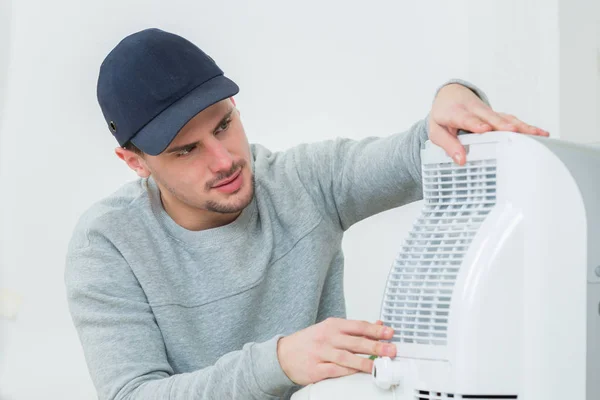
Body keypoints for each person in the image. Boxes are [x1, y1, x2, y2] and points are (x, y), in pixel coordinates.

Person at [64, 28, 548, 400]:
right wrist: (277, 363)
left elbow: (421, 150)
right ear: (136, 163)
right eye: (187, 150)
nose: (225, 159)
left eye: (225, 124)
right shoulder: (107, 245)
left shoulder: (304, 182)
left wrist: (455, 94)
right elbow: (135, 395)